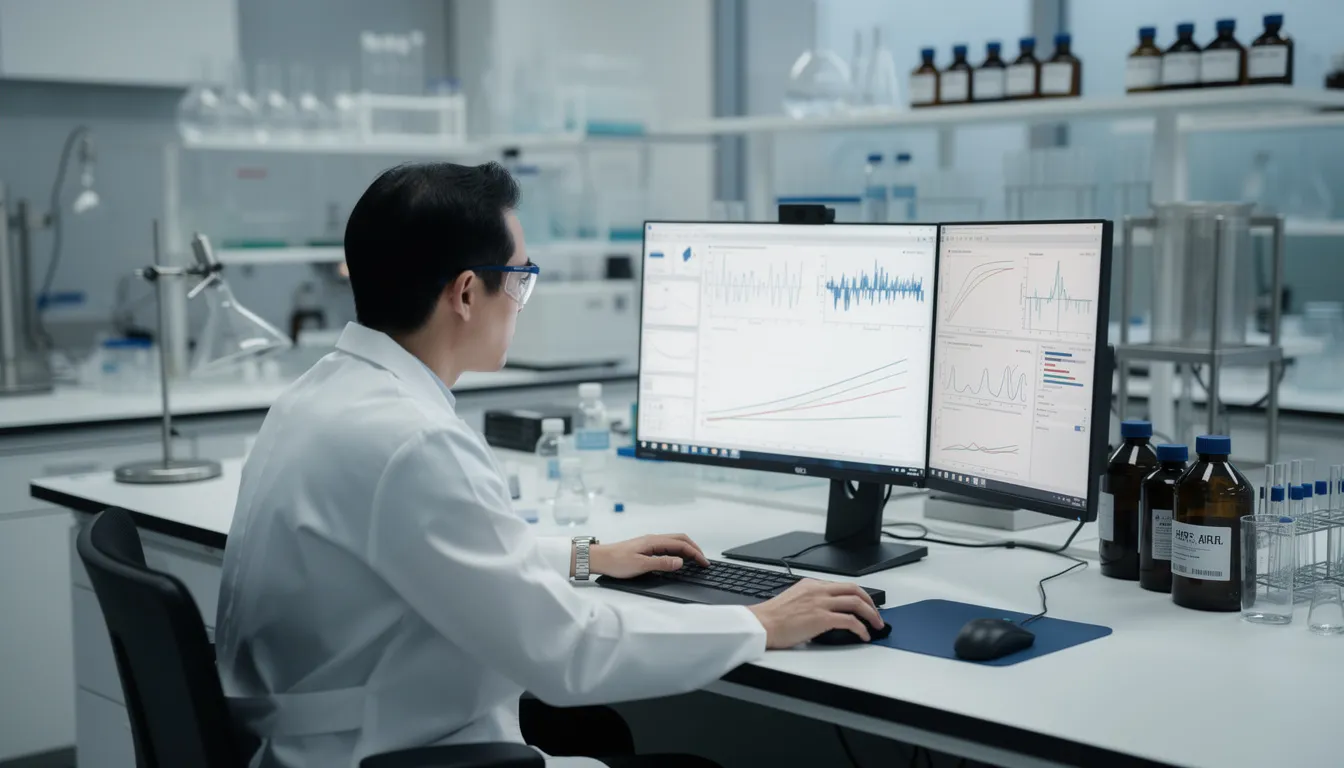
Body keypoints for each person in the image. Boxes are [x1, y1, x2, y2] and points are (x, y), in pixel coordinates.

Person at [215, 162, 884, 768]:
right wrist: (758, 623)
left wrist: (589, 557)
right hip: (393, 756)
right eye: (522, 279)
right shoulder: (413, 441)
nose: (522, 302)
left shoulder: (321, 397)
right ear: (468, 294)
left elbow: (439, 552)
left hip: (323, 743)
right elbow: (570, 653)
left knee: (603, 737)